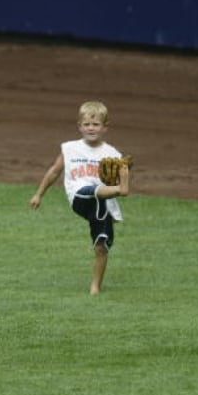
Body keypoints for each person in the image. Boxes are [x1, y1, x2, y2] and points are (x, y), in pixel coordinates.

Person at [29, 101, 130, 295]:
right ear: (79, 126)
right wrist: (38, 194)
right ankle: (122, 189)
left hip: (102, 204)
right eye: (87, 124)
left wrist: (121, 175)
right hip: (79, 197)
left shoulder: (112, 153)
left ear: (105, 127)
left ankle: (95, 289)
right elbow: (54, 171)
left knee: (102, 246)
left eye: (96, 124)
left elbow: (113, 177)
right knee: (90, 190)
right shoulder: (70, 148)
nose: (91, 128)